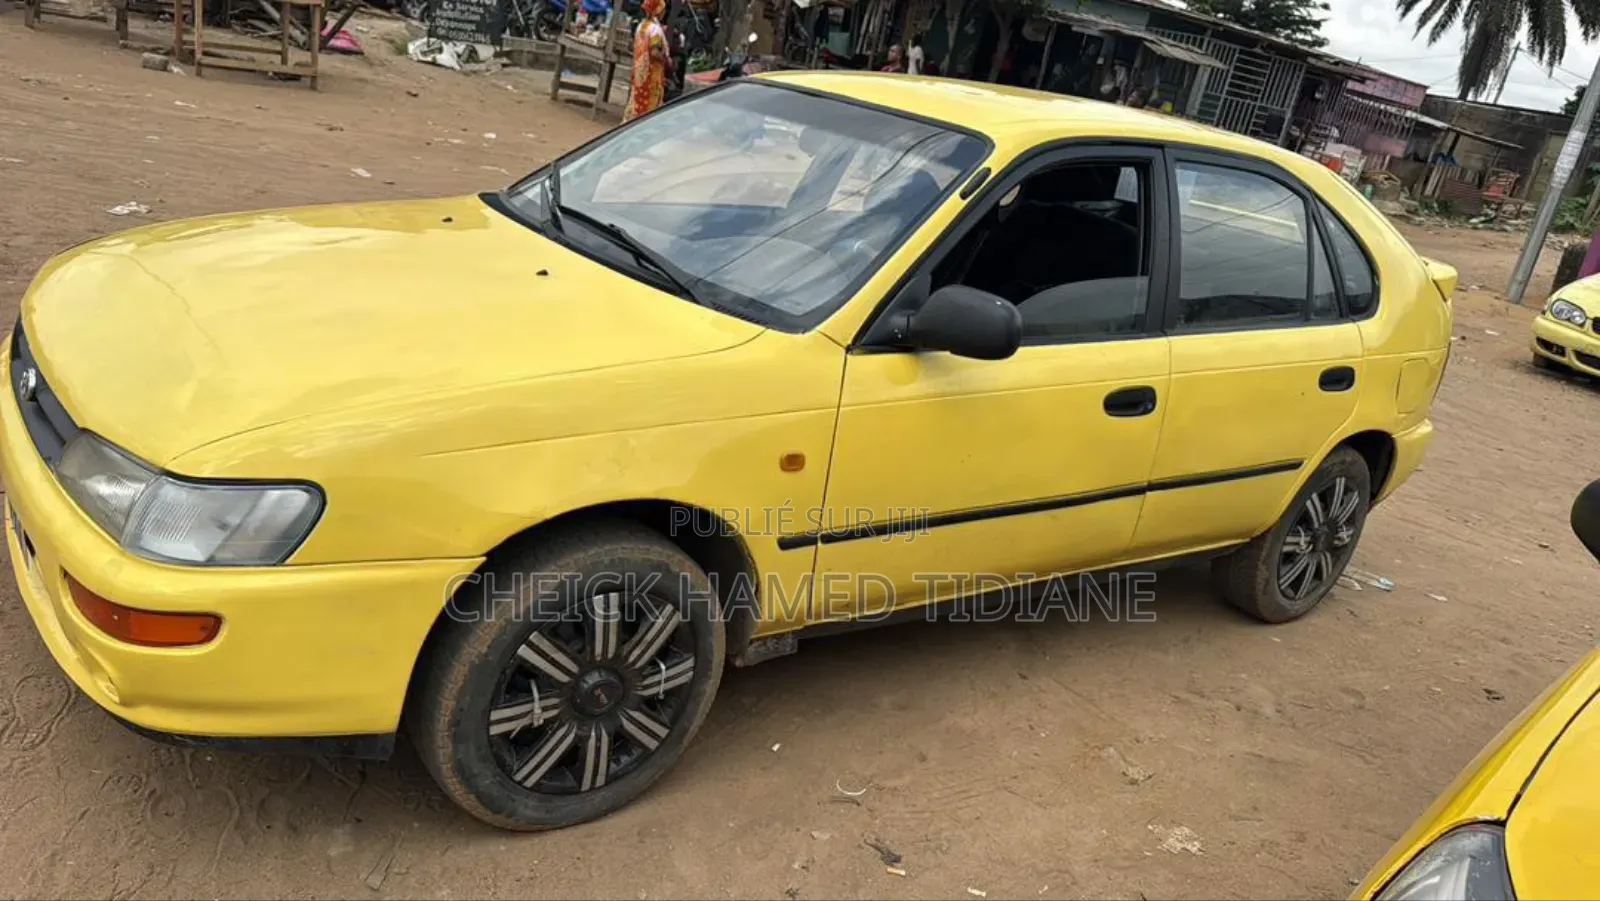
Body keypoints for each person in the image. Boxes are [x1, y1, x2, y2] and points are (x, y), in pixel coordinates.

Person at [623, 0, 670, 122]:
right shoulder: (655, 29)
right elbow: (654, 52)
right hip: (651, 74)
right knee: (649, 105)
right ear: (658, 11)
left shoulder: (641, 26)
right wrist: (665, 59)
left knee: (637, 100)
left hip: (640, 72)